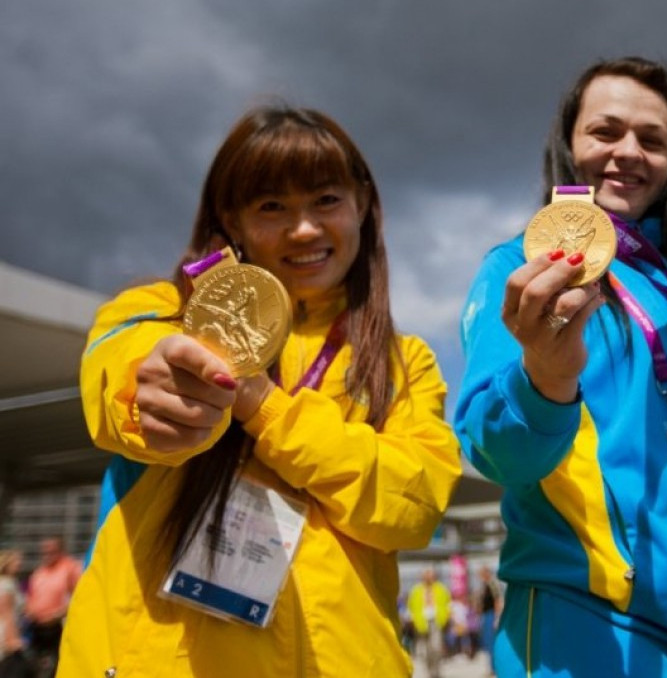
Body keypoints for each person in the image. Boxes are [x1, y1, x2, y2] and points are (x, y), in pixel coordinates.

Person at [60, 105, 462, 677]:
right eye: (272, 206)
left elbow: (413, 505)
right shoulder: (163, 312)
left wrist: (262, 404)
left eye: (325, 200)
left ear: (363, 204)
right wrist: (149, 394)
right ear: (233, 218)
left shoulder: (405, 363)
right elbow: (119, 370)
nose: (304, 229)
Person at [455, 56, 667, 677]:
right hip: (590, 625)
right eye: (606, 132)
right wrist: (546, 378)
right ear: (568, 144)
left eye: (651, 139)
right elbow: (499, 456)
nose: (628, 152)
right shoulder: (518, 274)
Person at [23, 538, 80, 677]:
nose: (47, 554)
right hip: (38, 627)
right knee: (34, 667)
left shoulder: (70, 567)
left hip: (58, 626)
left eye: (51, 551)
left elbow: (79, 596)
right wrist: (29, 610)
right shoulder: (40, 572)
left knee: (55, 667)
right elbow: (30, 595)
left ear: (60, 551)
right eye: (44, 551)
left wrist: (59, 613)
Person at [406, 568, 451, 678]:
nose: (428, 578)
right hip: (421, 623)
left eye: (430, 575)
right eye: (426, 575)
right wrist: (410, 619)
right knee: (424, 651)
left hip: (436, 621)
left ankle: (435, 671)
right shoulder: (416, 590)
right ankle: (429, 670)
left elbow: (448, 604)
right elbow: (410, 606)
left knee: (436, 648)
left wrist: (447, 618)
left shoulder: (441, 589)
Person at [0, 551, 31, 678]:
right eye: (16, 561)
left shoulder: (8, 582)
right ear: (7, 564)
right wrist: (13, 640)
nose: (20, 564)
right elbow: (6, 613)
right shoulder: (7, 584)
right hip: (7, 632)